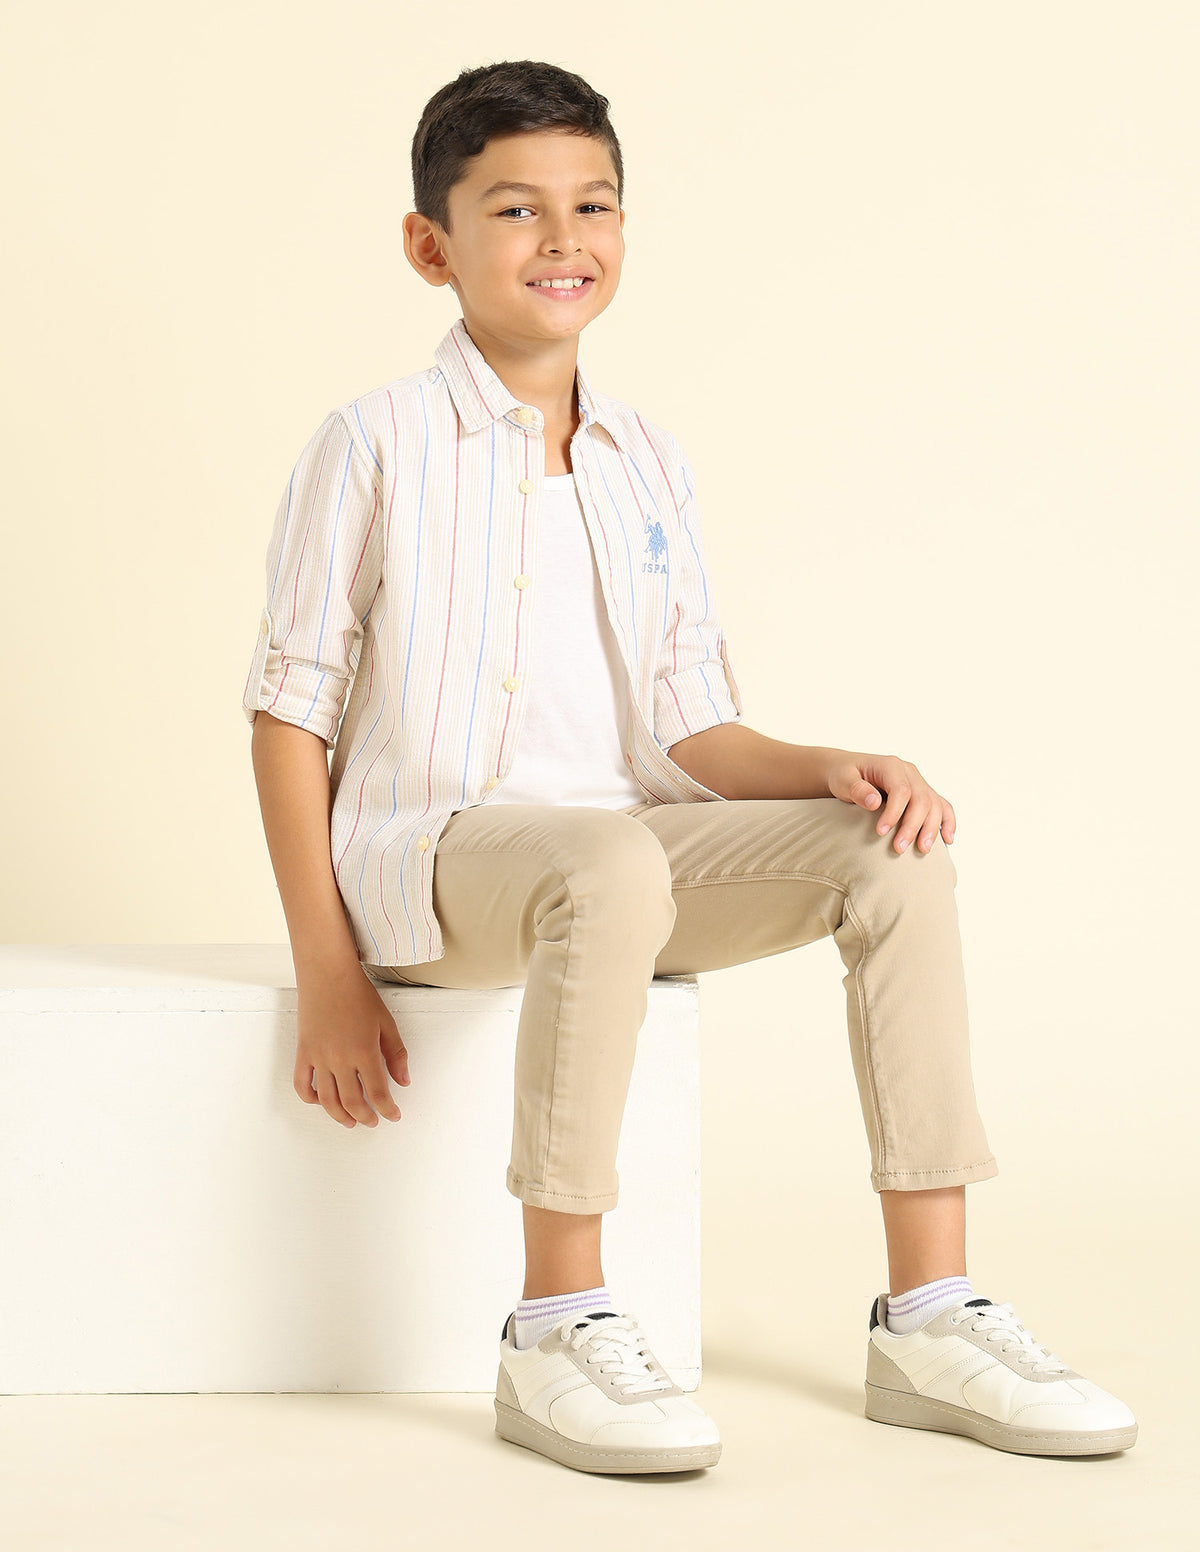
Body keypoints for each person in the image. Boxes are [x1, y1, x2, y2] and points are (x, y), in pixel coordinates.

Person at [242, 58, 1137, 1475]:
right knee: (605, 857)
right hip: (436, 866)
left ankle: (930, 1314)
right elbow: (289, 713)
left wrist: (838, 765)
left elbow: (689, 730)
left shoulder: (648, 463)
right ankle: (556, 1326)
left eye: (592, 205)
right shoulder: (374, 445)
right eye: (516, 210)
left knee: (891, 851)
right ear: (431, 245)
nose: (563, 239)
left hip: (624, 862)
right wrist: (328, 972)